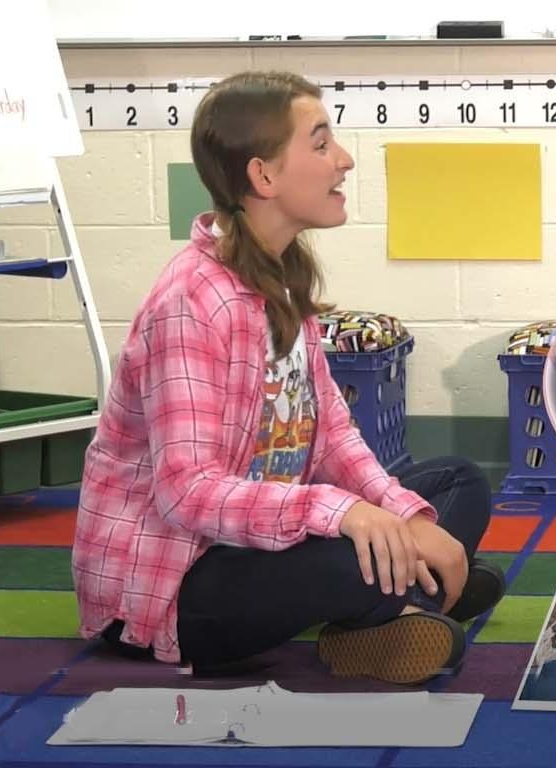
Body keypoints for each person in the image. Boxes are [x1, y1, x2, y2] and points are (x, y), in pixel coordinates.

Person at [71, 71, 504, 685]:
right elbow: (186, 492)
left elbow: (330, 435)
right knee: (359, 552)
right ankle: (406, 598)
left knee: (458, 484)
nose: (345, 160)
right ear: (263, 176)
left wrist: (405, 517)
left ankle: (397, 606)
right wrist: (344, 515)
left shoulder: (277, 278)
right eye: (322, 143)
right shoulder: (193, 302)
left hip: (257, 543)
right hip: (177, 586)